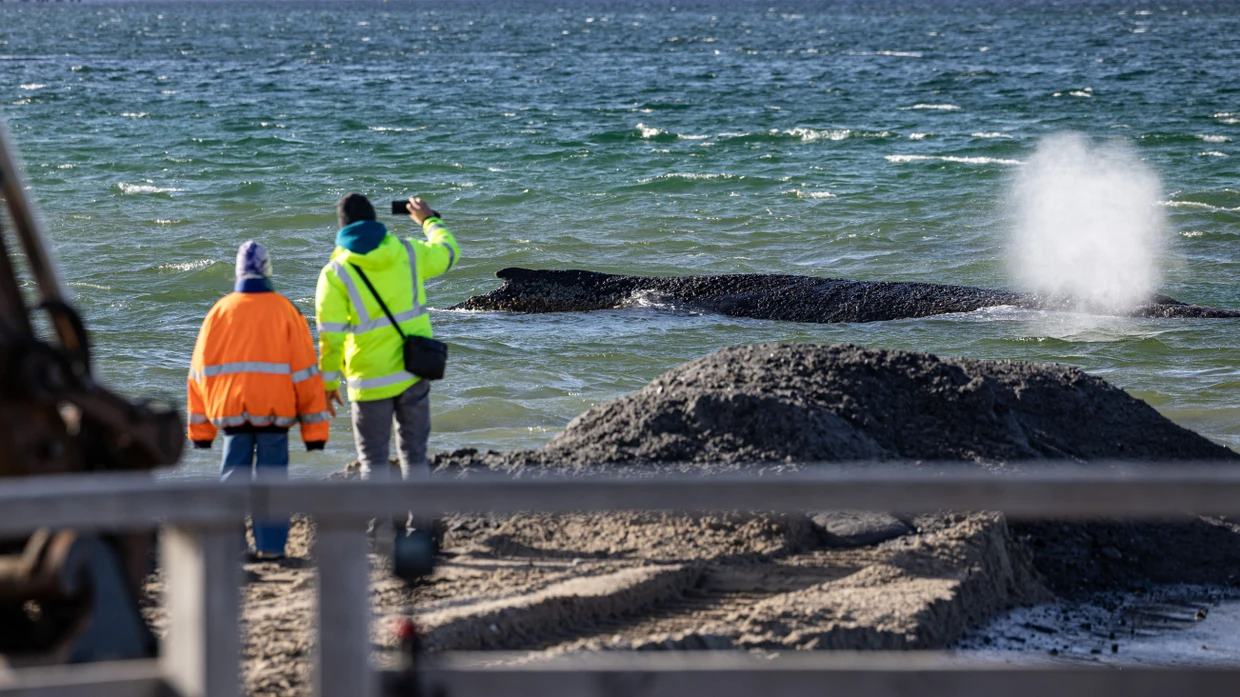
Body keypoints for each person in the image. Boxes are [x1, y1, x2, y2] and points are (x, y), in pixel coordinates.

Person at [187, 241, 331, 560]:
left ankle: (231, 545)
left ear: (238, 272)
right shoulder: (286, 311)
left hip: (232, 415)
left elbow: (198, 374)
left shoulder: (219, 312)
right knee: (273, 483)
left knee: (232, 480)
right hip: (275, 415)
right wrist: (314, 433)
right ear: (268, 270)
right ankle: (271, 548)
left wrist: (201, 432)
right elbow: (306, 374)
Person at [315, 194, 460, 485]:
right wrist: (428, 220)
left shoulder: (335, 273)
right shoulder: (408, 252)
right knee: (415, 455)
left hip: (368, 379)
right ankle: (417, 515)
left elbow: (330, 340)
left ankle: (379, 517)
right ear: (375, 220)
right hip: (412, 370)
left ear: (343, 227)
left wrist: (328, 384)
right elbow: (449, 252)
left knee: (372, 462)